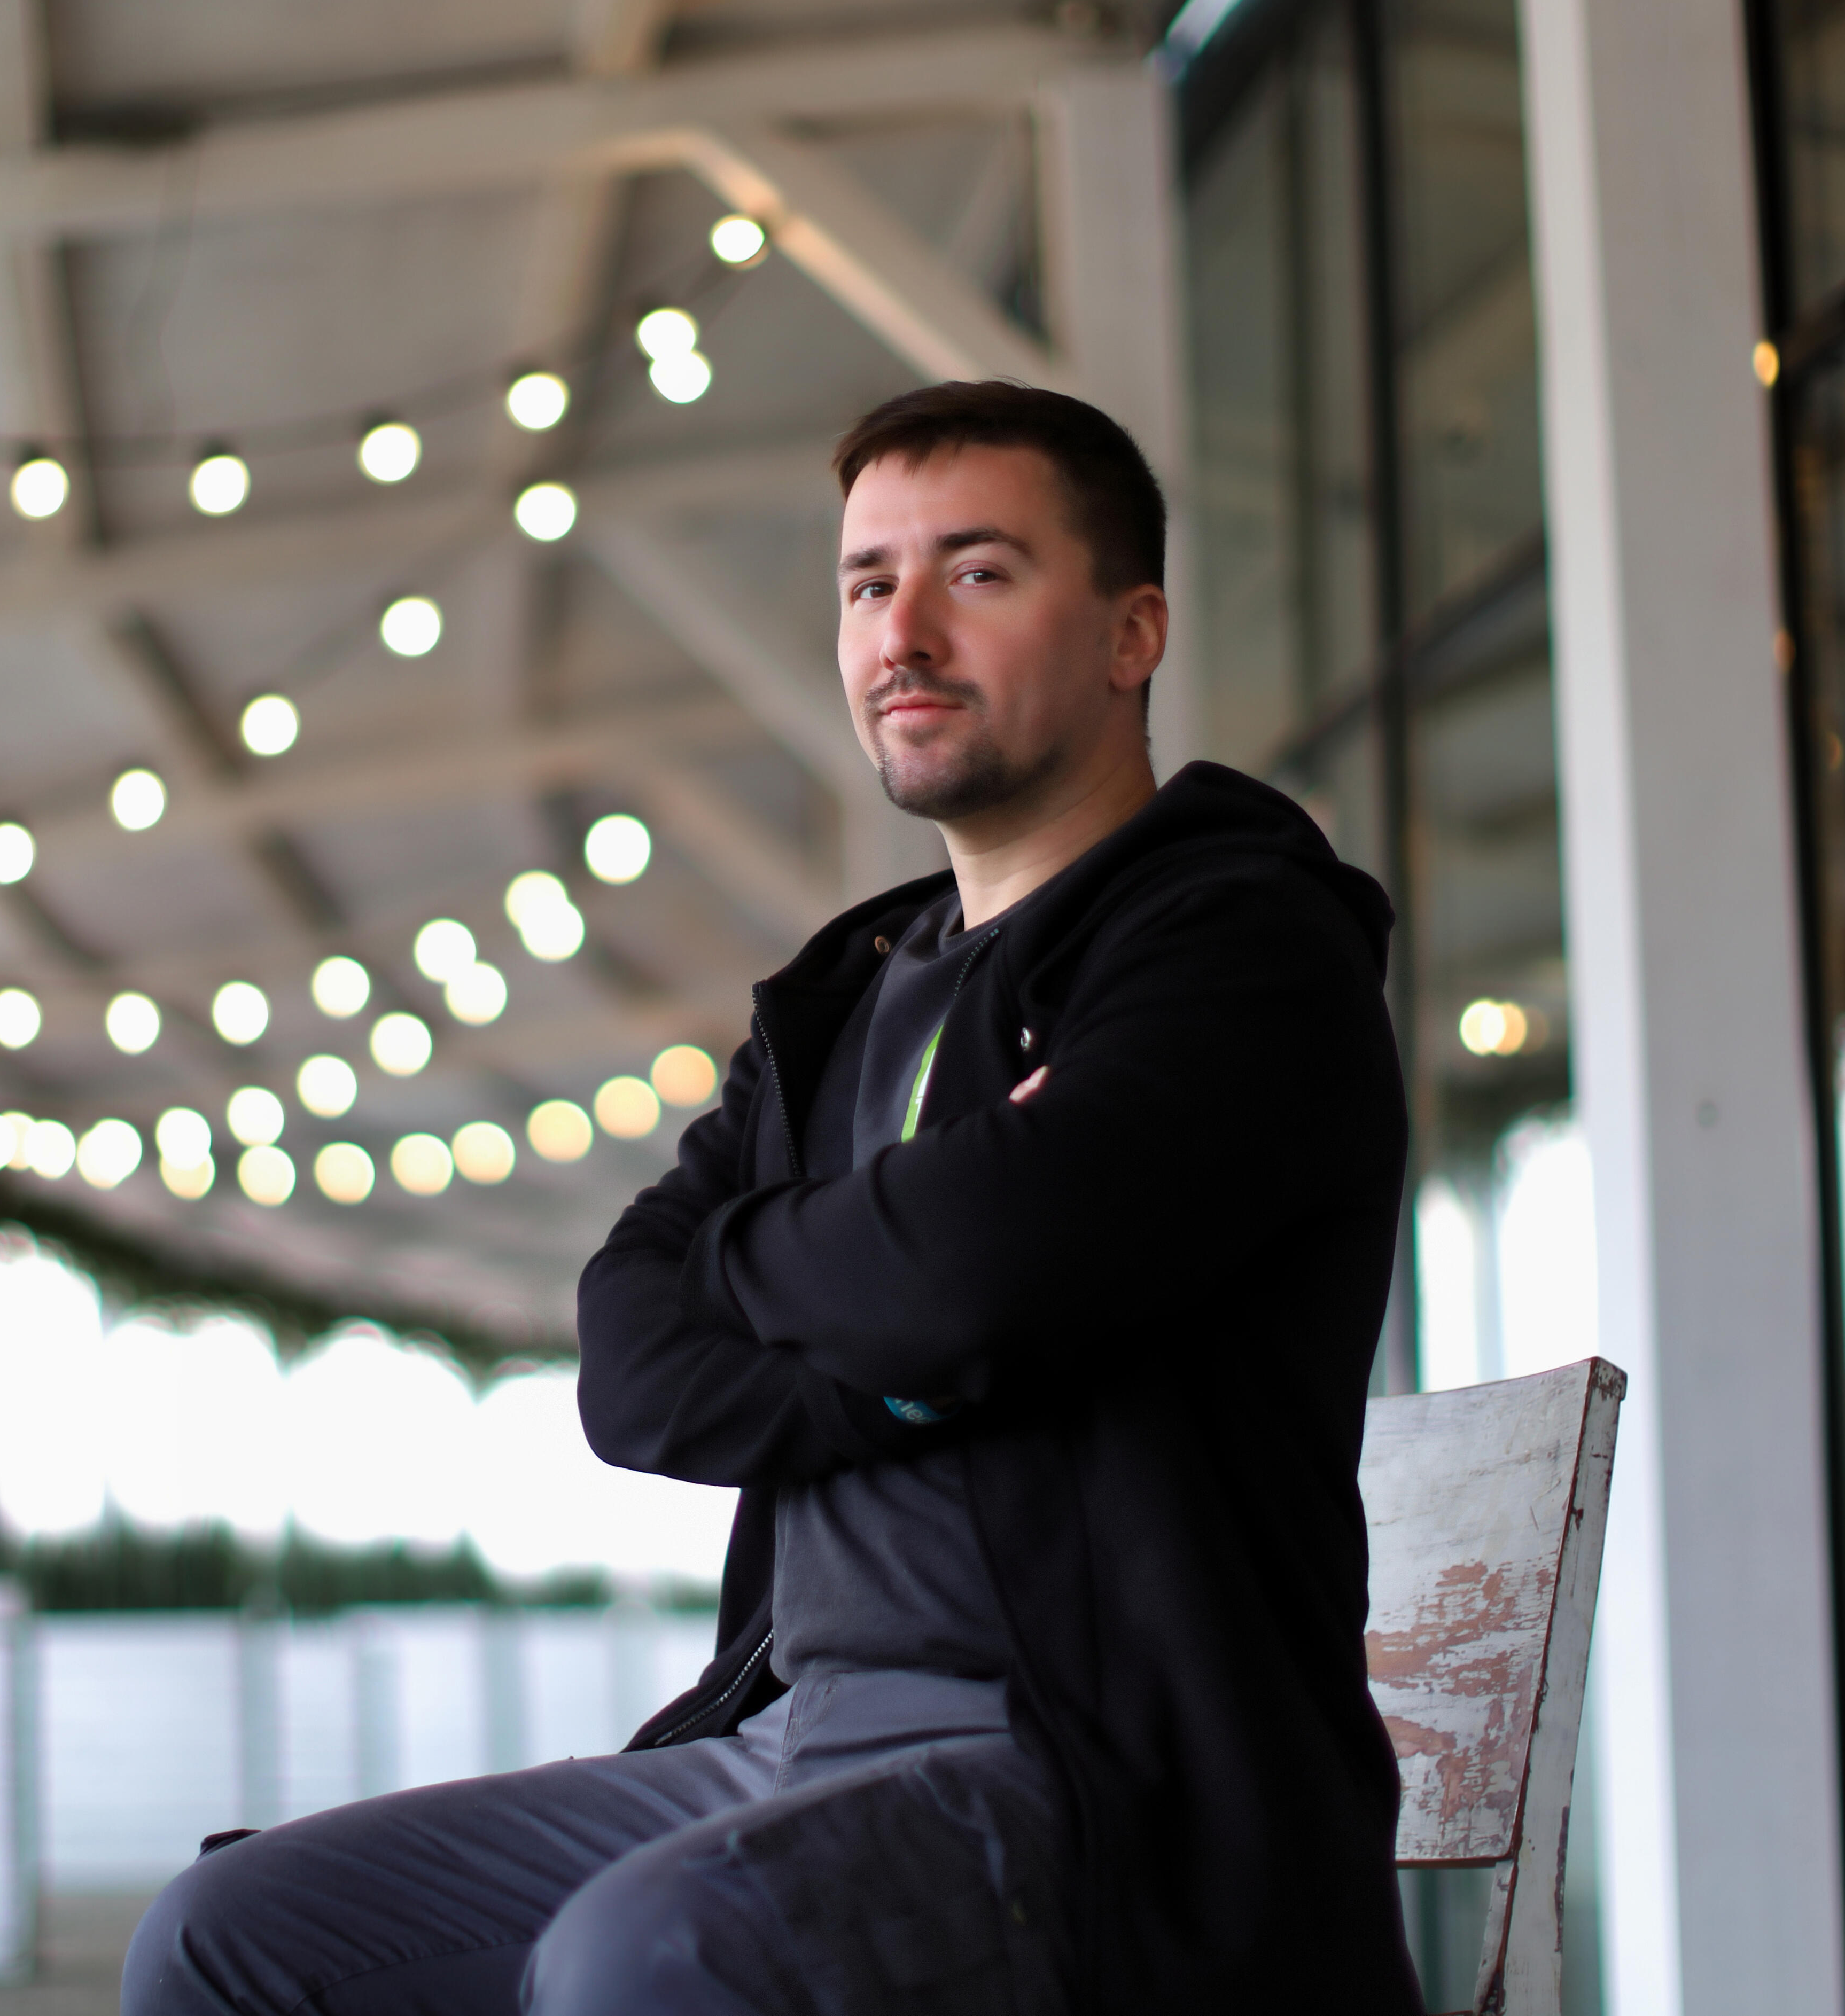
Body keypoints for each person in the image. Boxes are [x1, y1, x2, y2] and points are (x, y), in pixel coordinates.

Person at [123, 381, 1422, 2016]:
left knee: (642, 1959)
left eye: (978, 571)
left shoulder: (1237, 947)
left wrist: (838, 1277)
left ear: (1129, 631)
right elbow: (631, 1365)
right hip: (787, 1741)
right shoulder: (840, 998)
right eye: (870, 582)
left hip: (1101, 1783)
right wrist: (916, 1332)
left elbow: (969, 1268)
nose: (905, 632)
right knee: (225, 1934)